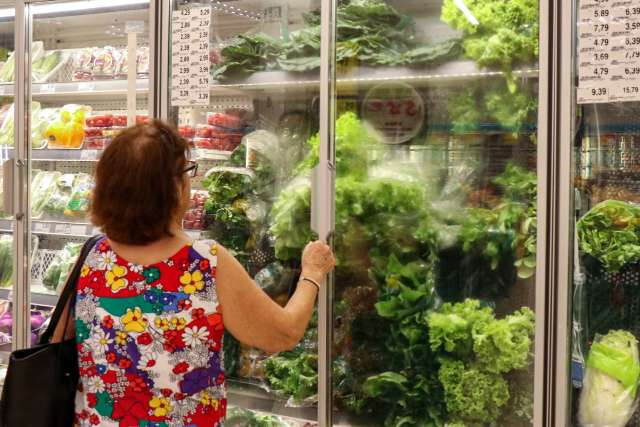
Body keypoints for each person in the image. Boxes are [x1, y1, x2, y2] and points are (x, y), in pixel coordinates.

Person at [53, 120, 335, 426]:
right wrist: (312, 273)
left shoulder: (92, 257)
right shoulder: (203, 263)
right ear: (173, 188)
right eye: (186, 172)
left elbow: (60, 345)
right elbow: (282, 333)